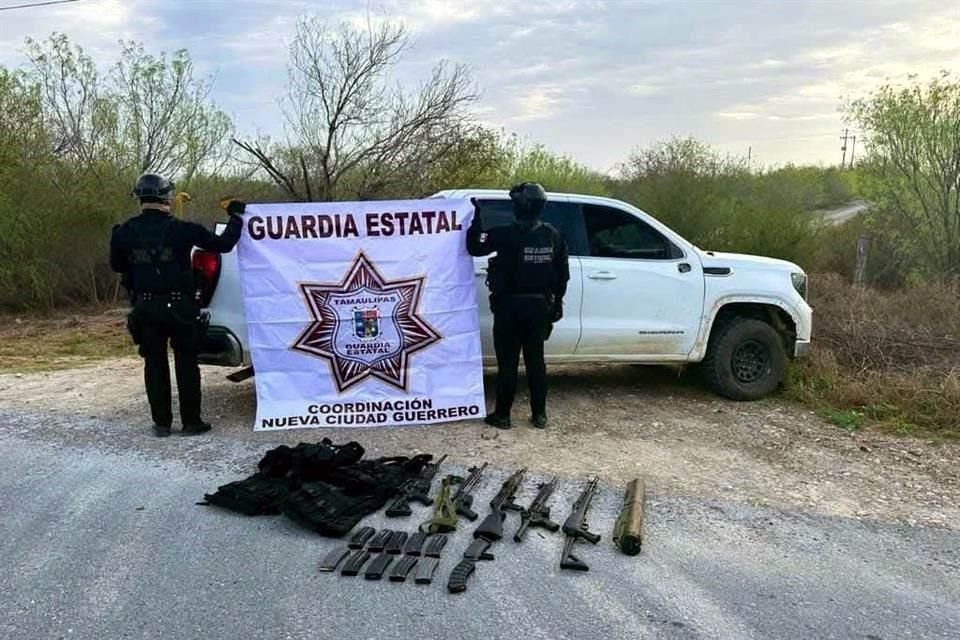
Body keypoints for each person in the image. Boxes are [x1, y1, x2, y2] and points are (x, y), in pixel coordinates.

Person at [110, 173, 246, 437]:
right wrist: (237, 217)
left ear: (139, 198)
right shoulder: (184, 230)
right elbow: (224, 244)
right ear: (167, 198)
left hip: (146, 307)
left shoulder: (123, 232)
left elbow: (117, 265)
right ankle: (191, 422)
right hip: (181, 307)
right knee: (186, 364)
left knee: (154, 364)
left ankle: (161, 424)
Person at [466, 182, 569, 429]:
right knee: (536, 362)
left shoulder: (503, 233)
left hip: (509, 308)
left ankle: (503, 415)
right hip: (539, 307)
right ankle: (539, 415)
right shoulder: (552, 235)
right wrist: (557, 303)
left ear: (518, 206)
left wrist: (476, 221)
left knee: (508, 363)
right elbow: (562, 274)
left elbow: (475, 247)